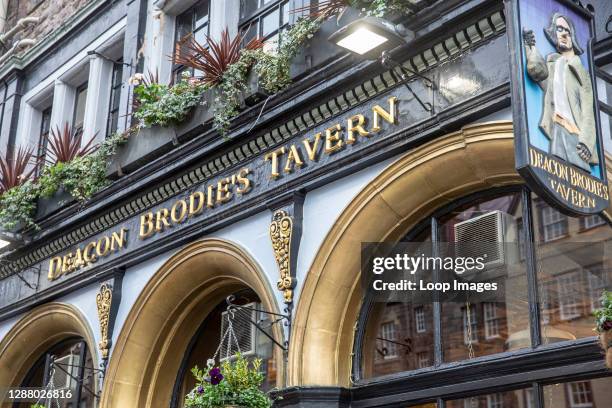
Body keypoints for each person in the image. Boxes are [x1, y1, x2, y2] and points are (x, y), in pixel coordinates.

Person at [523, 12, 597, 172]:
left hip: (575, 136)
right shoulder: (553, 64)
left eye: (567, 30)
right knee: (556, 178)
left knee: (580, 185)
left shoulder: (581, 72)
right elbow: (538, 74)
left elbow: (588, 111)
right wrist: (531, 48)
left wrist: (586, 142)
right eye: (558, 29)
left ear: (572, 37)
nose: (563, 33)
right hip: (557, 128)